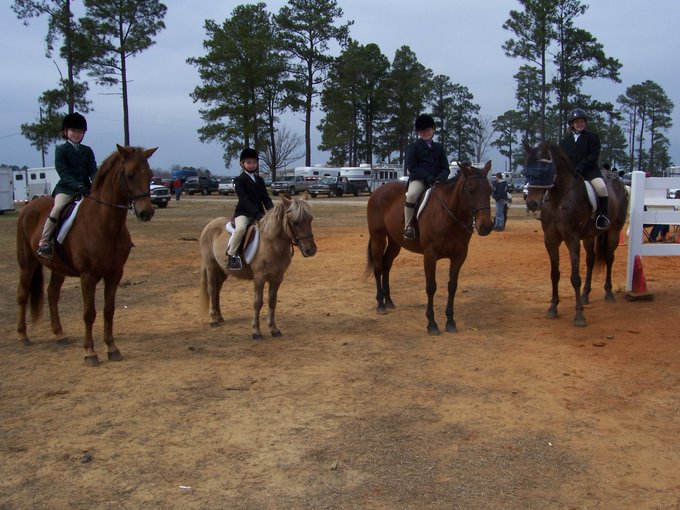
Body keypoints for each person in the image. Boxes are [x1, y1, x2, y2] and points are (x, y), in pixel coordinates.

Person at [36, 112, 97, 259]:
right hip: (66, 189)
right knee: (57, 209)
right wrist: (77, 185)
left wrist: (96, 183)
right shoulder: (61, 150)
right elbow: (63, 172)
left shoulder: (87, 150)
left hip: (86, 188)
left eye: (80, 131)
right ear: (66, 132)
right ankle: (45, 241)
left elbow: (93, 170)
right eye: (74, 131)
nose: (77, 134)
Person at [560, 108, 610, 230]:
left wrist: (580, 168)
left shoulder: (592, 137)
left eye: (582, 121)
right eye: (577, 122)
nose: (580, 124)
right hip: (572, 174)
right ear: (572, 124)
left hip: (590, 172)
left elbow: (593, 155)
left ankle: (602, 215)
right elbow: (563, 159)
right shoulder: (564, 142)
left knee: (602, 187)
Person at [403, 114, 450, 239]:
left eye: (428, 130)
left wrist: (440, 178)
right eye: (422, 131)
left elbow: (445, 168)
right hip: (420, 180)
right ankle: (408, 226)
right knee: (412, 195)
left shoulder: (439, 148)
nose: (426, 133)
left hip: (438, 180)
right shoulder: (414, 147)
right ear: (418, 132)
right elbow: (412, 167)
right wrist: (427, 177)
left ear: (433, 129)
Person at [226, 148, 274, 270]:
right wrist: (257, 214)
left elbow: (265, 197)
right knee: (241, 229)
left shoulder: (260, 180)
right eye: (248, 162)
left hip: (260, 213)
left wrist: (272, 211)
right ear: (242, 164)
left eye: (254, 162)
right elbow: (244, 200)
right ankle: (232, 255)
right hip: (244, 213)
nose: (251, 165)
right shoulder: (239, 180)